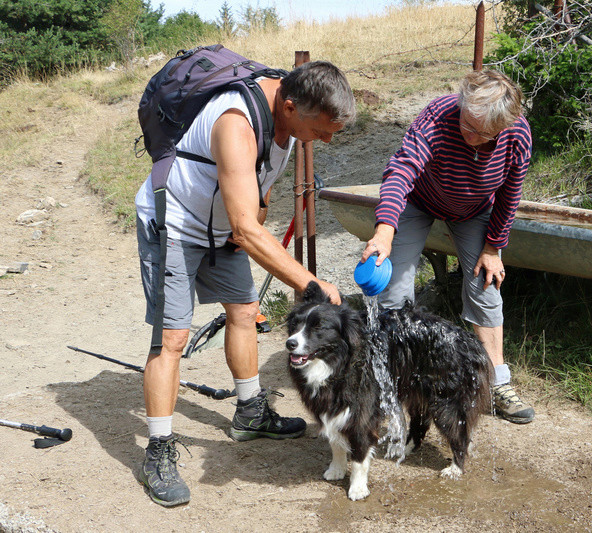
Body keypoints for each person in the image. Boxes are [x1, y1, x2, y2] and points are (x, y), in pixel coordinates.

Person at [134, 60, 356, 507]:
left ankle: (251, 412)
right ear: (291, 106)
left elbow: (260, 191)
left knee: (244, 312)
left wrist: (249, 229)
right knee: (172, 338)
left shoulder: (291, 125)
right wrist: (312, 282)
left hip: (224, 229)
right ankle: (157, 450)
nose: (327, 140)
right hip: (174, 223)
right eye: (324, 129)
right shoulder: (235, 121)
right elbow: (246, 226)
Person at [360, 69, 534, 425]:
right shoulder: (439, 116)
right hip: (419, 200)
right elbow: (402, 170)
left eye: (481, 133)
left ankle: (496, 384)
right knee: (394, 290)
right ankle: (393, 381)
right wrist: (384, 231)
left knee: (485, 285)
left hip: (474, 208)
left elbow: (509, 196)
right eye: (466, 124)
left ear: (502, 127)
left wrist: (492, 247)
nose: (469, 136)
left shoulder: (517, 135)